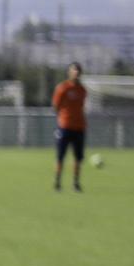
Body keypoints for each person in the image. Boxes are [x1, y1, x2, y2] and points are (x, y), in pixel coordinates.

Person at [52, 61, 87, 192]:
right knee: (60, 156)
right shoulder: (63, 88)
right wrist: (62, 118)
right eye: (74, 70)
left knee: (78, 157)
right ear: (69, 72)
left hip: (79, 127)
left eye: (78, 71)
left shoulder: (83, 89)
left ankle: (75, 182)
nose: (76, 73)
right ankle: (57, 181)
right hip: (65, 126)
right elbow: (56, 105)